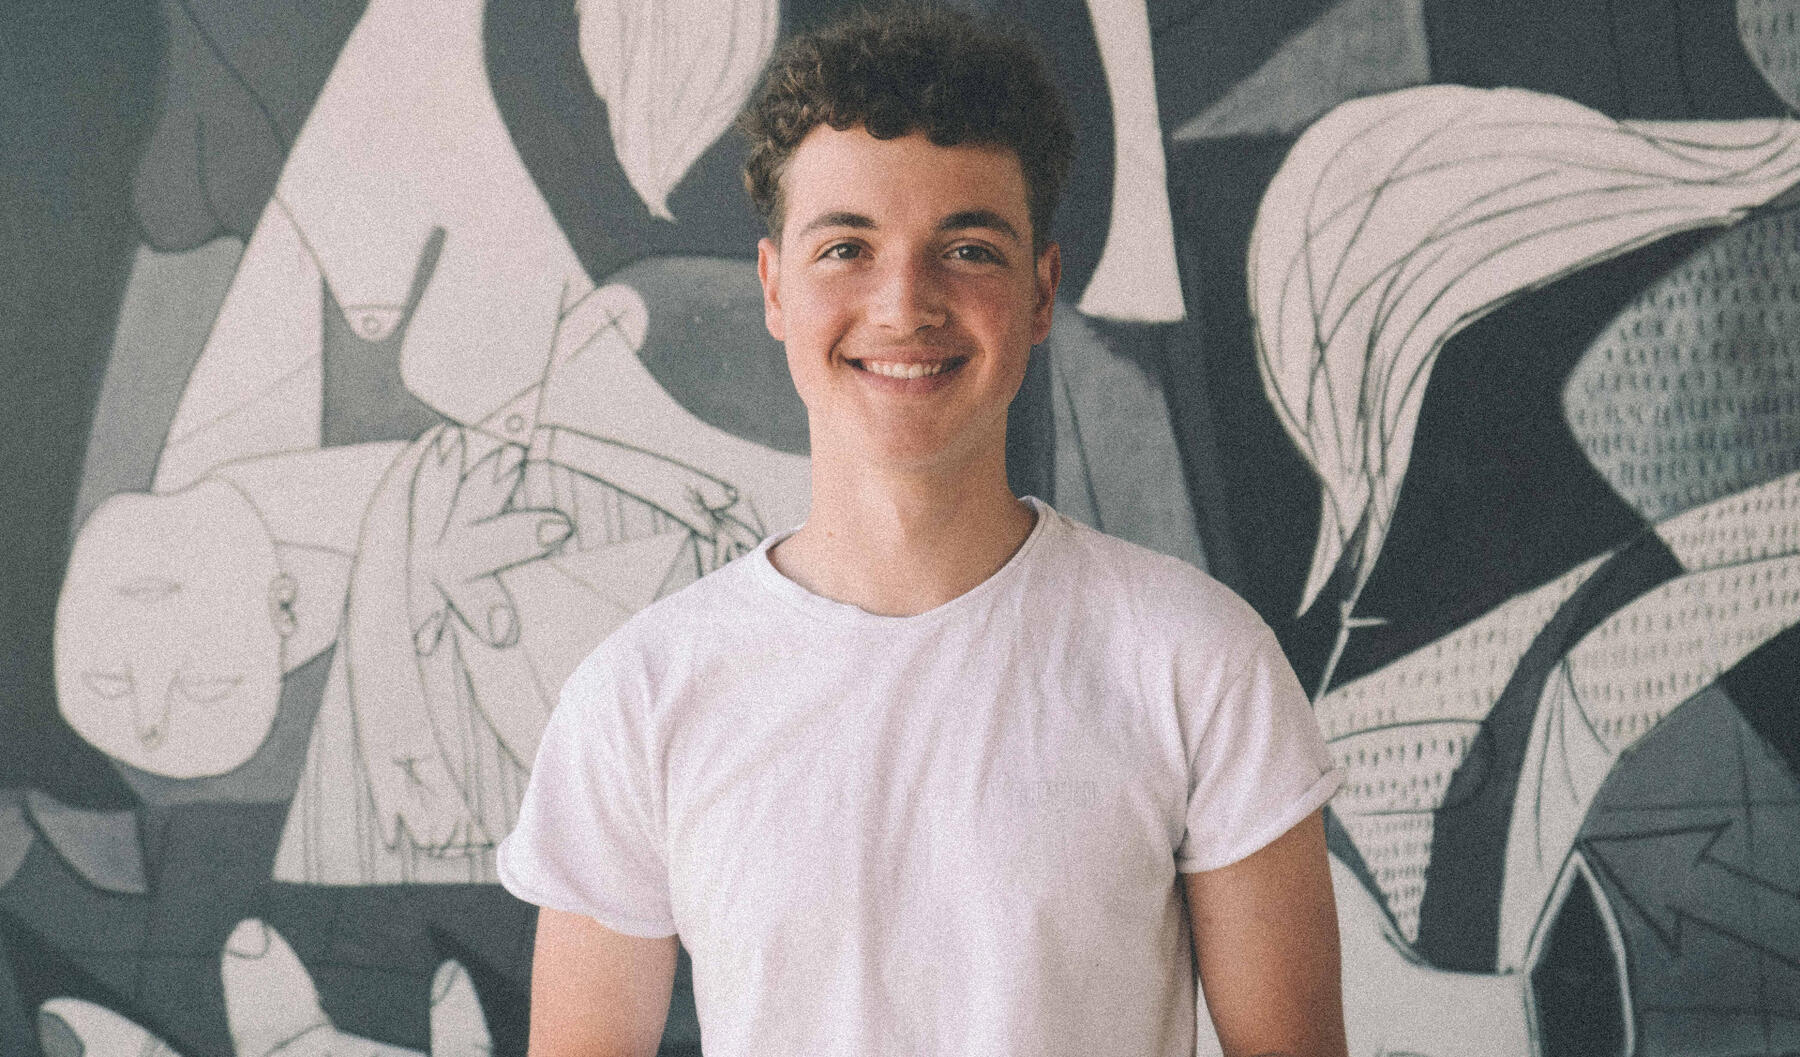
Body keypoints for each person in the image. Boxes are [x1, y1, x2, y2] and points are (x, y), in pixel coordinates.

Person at [495, 5, 1349, 1055]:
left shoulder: (1200, 665)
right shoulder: (638, 698)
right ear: (774, 288)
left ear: (1041, 294)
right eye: (846, 247)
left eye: (969, 249)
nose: (904, 305)